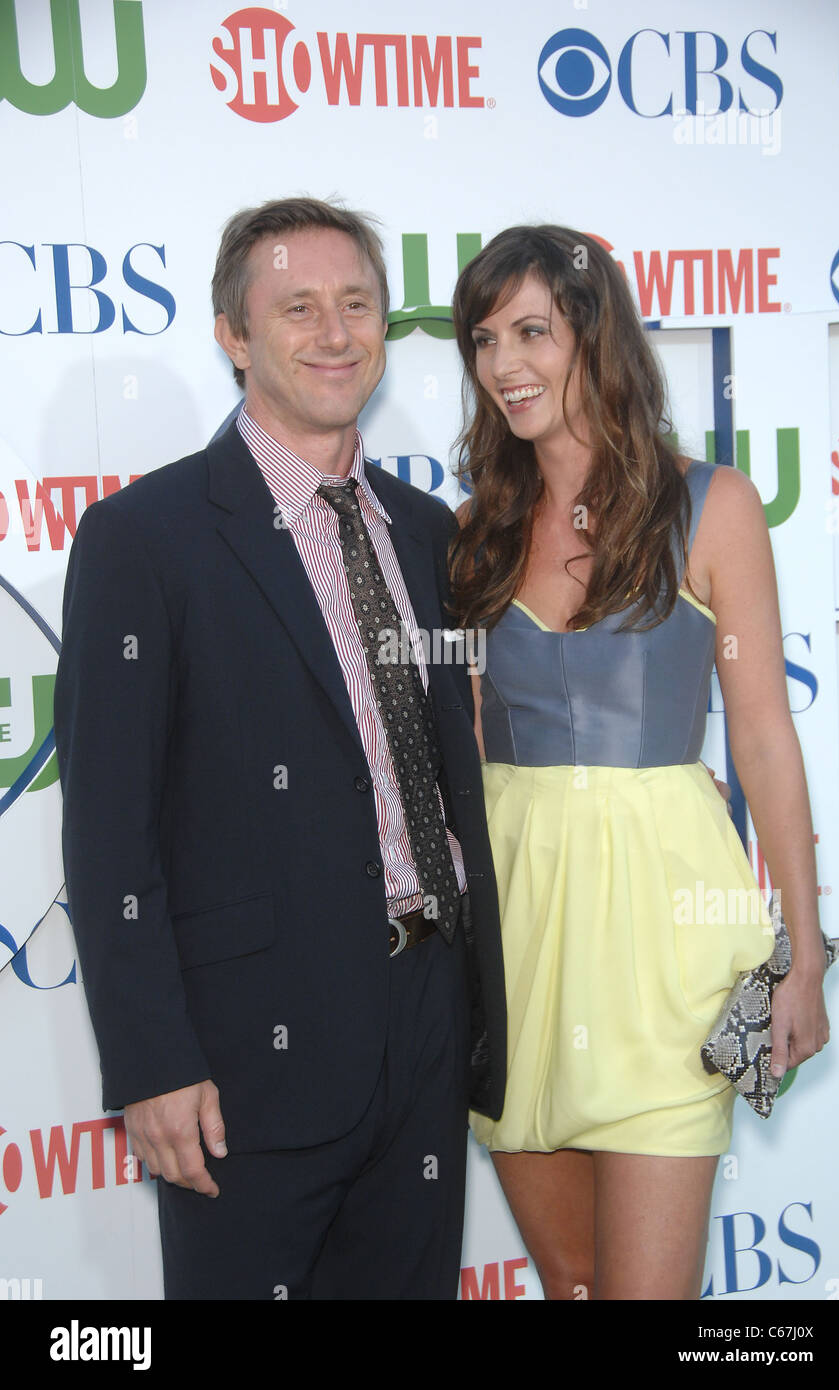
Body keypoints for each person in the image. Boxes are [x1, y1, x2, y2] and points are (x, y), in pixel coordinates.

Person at [53, 196, 506, 1300]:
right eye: (295, 306)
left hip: (427, 1027)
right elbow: (109, 835)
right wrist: (153, 1062)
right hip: (247, 1057)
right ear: (233, 335)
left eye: (355, 303)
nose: (334, 332)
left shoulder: (429, 532)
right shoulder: (141, 539)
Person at [448, 224, 830, 1301]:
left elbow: (760, 735)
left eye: (531, 331)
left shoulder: (712, 505)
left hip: (666, 937)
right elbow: (461, 749)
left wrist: (804, 954)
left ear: (594, 333)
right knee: (570, 1281)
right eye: (482, 340)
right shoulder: (474, 530)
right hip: (519, 942)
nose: (503, 364)